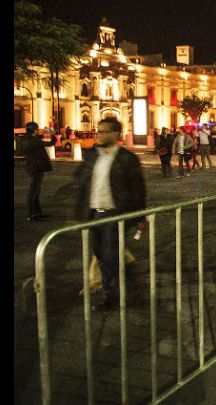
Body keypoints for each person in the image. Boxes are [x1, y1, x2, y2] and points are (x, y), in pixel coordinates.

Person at [74, 117, 146, 311]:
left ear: (116, 134)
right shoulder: (93, 155)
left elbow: (138, 189)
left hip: (114, 215)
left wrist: (140, 217)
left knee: (109, 256)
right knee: (101, 257)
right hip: (94, 214)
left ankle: (116, 296)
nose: (99, 135)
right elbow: (81, 181)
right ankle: (115, 291)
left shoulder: (127, 158)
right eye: (98, 131)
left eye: (104, 131)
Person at [23, 121, 57, 222]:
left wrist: (46, 133)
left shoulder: (29, 138)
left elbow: (40, 137)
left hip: (35, 167)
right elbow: (51, 143)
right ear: (34, 130)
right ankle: (31, 215)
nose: (38, 131)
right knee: (33, 192)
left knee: (36, 191)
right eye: (37, 129)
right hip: (36, 168)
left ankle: (37, 213)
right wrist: (53, 135)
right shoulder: (33, 141)